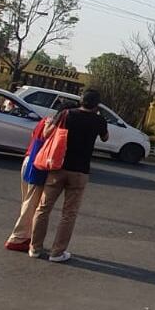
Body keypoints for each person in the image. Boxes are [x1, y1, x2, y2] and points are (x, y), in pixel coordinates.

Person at [29, 89, 109, 263]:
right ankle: (57, 253)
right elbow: (105, 138)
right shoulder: (99, 120)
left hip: (58, 166)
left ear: (81, 101)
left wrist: (51, 121)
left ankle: (35, 248)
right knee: (69, 214)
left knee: (44, 208)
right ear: (97, 105)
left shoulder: (66, 114)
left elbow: (46, 133)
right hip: (80, 172)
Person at [3, 115, 50, 252]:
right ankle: (18, 238)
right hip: (39, 163)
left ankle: (25, 235)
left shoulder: (45, 120)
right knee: (32, 203)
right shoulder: (55, 124)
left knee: (27, 201)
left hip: (28, 159)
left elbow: (33, 134)